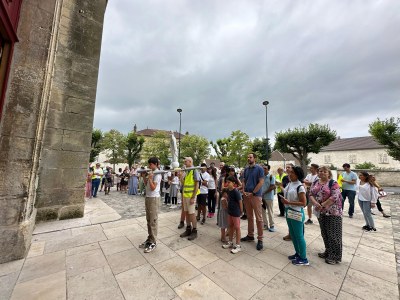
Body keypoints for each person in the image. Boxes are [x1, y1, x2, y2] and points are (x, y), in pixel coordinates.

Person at [309, 166, 343, 265]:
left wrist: (322, 205)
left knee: (334, 234)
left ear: (329, 173)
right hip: (321, 212)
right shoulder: (315, 182)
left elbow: (335, 196)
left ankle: (335, 256)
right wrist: (316, 204)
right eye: (320, 171)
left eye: (324, 171)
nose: (322, 173)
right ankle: (328, 251)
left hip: (333, 212)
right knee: (325, 233)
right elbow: (310, 194)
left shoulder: (333, 183)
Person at [279, 166, 309, 266]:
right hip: (289, 211)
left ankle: (304, 258)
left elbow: (303, 203)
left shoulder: (300, 187)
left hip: (296, 213)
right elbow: (287, 192)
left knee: (299, 236)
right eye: (289, 172)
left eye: (292, 173)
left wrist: (289, 202)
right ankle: (298, 253)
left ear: (298, 175)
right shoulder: (290, 183)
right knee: (293, 235)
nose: (289, 174)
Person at [241, 153, 265, 251]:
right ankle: (250, 235)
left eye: (250, 157)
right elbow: (243, 181)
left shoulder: (259, 168)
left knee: (259, 219)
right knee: (249, 217)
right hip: (247, 196)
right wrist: (243, 190)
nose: (248, 158)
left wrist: (253, 192)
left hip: (256, 196)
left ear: (254, 158)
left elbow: (261, 182)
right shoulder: (246, 169)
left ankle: (260, 239)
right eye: (248, 157)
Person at [139, 157, 162, 253]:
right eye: (149, 164)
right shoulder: (151, 172)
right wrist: (144, 176)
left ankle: (153, 241)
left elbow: (153, 188)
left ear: (156, 164)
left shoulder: (158, 174)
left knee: (153, 220)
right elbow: (146, 184)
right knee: (148, 219)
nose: (149, 166)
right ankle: (149, 238)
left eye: (151, 164)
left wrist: (151, 178)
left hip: (154, 198)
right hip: (148, 197)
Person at [179, 157, 200, 240]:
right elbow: (184, 183)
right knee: (186, 212)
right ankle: (188, 228)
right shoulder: (186, 171)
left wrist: (193, 197)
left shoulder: (194, 170)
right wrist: (181, 177)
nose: (184, 163)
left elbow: (197, 185)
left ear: (190, 162)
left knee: (191, 213)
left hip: (191, 196)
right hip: (185, 195)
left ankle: (194, 230)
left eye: (185, 161)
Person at [222, 176, 243, 254]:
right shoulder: (228, 190)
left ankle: (238, 245)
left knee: (237, 228)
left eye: (229, 182)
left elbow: (240, 201)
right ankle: (230, 242)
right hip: (230, 211)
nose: (227, 184)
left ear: (234, 183)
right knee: (230, 226)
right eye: (227, 182)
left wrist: (241, 211)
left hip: (236, 212)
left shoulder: (236, 191)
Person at [261, 164, 276, 232]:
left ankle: (272, 225)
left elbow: (272, 186)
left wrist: (264, 192)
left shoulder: (271, 177)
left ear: (268, 169)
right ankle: (265, 225)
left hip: (269, 197)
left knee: (270, 211)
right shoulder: (261, 177)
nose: (264, 169)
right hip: (262, 197)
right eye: (263, 168)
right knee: (263, 211)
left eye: (265, 168)